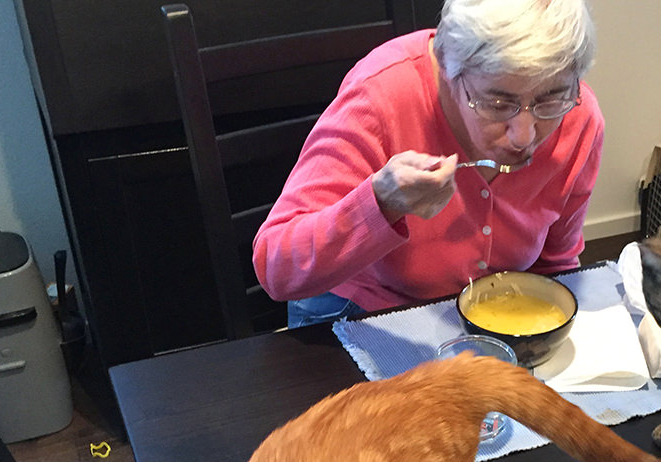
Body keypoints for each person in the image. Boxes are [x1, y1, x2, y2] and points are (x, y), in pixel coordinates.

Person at [252, 0, 604, 327]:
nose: (524, 136)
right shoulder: (382, 97)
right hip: (362, 313)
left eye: (550, 100)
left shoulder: (580, 118)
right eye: (497, 103)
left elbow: (556, 266)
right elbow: (275, 268)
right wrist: (380, 204)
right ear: (450, 72)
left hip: (490, 318)